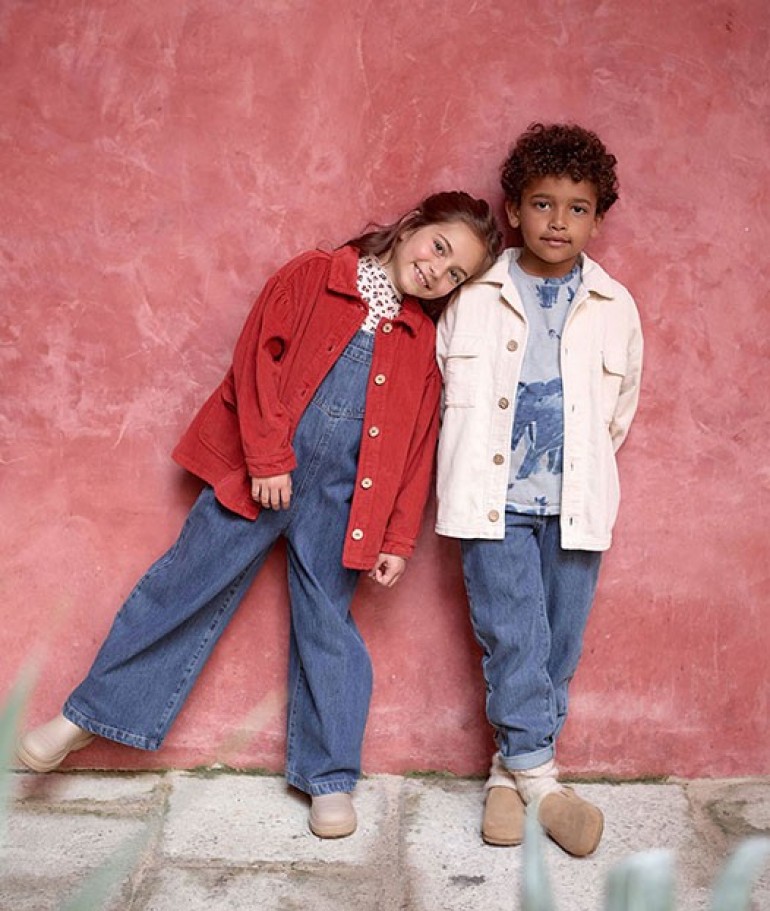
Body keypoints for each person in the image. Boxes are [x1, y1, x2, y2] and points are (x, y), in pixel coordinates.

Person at [17, 191, 503, 839]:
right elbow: (256, 362)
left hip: (342, 500)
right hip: (260, 475)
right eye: (439, 248)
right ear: (414, 225)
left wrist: (397, 535)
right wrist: (268, 456)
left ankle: (329, 776)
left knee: (328, 625)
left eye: (455, 276)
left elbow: (417, 445)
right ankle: (87, 715)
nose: (437, 273)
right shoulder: (315, 275)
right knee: (183, 586)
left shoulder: (419, 340)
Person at [435, 124, 643, 856]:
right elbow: (441, 392)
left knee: (559, 645)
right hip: (493, 503)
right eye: (543, 204)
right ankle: (545, 783)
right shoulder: (476, 297)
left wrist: (573, 466)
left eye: (577, 208)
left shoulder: (616, 307)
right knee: (512, 636)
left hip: (577, 503)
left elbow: (617, 415)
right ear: (515, 211)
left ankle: (506, 774)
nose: (559, 222)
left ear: (598, 217)